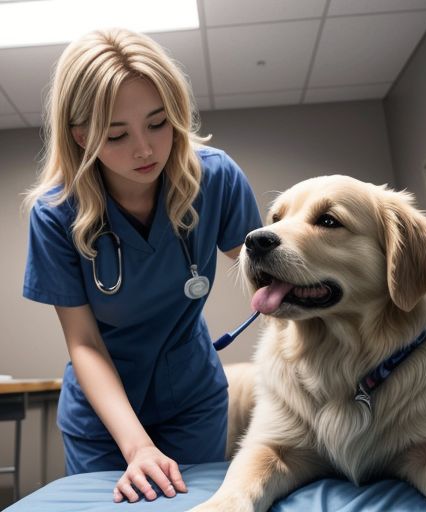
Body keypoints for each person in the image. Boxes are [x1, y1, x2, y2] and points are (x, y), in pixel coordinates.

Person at [22, 28, 262, 503]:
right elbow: (84, 343)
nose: (145, 149)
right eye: (116, 134)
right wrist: (137, 448)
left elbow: (270, 278)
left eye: (158, 123)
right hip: (102, 420)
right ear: (81, 135)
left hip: (192, 399)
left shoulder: (214, 179)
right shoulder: (55, 215)